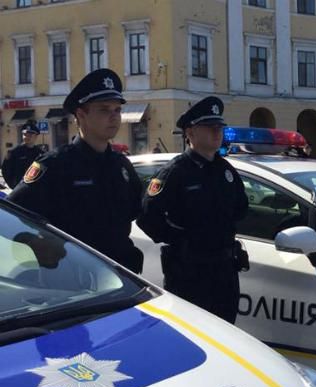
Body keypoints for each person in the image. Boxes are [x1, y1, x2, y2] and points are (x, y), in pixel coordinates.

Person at [8, 69, 143, 273]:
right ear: (81, 114)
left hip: (120, 278)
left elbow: (135, 211)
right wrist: (37, 244)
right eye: (105, 110)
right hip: (74, 278)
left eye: (117, 110)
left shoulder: (121, 165)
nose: (114, 117)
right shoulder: (56, 165)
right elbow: (12, 213)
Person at [137, 96, 249, 323]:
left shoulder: (225, 170)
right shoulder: (176, 172)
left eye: (219, 127)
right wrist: (184, 240)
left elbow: (240, 208)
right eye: (209, 127)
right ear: (190, 132)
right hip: (190, 272)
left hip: (225, 271)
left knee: (226, 333)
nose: (217, 133)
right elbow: (148, 217)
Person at [1, 121, 45, 189]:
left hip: (36, 189)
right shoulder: (14, 152)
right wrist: (13, 186)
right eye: (24, 134)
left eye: (30, 135)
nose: (26, 137)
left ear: (36, 136)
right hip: (19, 188)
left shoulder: (40, 153)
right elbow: (5, 170)